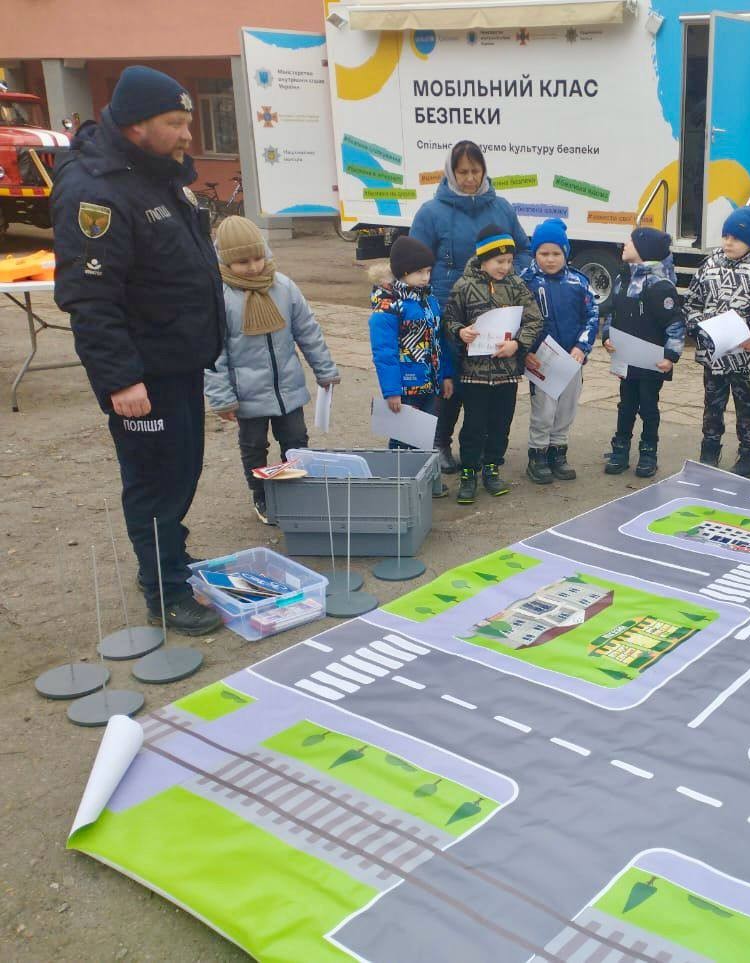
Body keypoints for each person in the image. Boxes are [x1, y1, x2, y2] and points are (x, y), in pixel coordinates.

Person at [52, 65, 223, 635]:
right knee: (155, 479)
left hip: (178, 361)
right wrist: (121, 379)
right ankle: (164, 591)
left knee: (181, 470)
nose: (187, 135)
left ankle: (170, 557)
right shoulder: (95, 191)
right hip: (142, 374)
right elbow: (90, 299)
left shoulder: (154, 173)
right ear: (135, 124)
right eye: (175, 123)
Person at [205, 217, 340, 522]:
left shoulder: (283, 287)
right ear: (224, 260)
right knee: (254, 446)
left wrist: (325, 369)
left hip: (288, 389)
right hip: (247, 394)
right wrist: (221, 397)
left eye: (257, 258)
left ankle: (294, 490)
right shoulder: (218, 297)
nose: (253, 267)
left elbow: (308, 331)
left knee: (296, 441)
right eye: (242, 262)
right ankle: (262, 494)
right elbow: (213, 353)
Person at [410, 140, 531, 475]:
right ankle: (440, 441)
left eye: (475, 171)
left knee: (487, 382)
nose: (469, 178)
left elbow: (523, 249)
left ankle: (482, 447)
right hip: (450, 307)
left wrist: (511, 278)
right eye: (462, 172)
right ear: (451, 172)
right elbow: (416, 262)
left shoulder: (501, 208)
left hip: (497, 310)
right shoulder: (431, 213)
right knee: (450, 379)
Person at [684, 206, 750, 478]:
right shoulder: (710, 264)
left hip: (747, 357)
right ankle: (709, 451)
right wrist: (700, 328)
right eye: (725, 236)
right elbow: (692, 303)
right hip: (715, 355)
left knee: (746, 407)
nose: (728, 242)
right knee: (712, 405)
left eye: (736, 238)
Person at [443, 226, 543, 504]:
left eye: (509, 261)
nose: (505, 267)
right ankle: (469, 472)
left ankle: (492, 467)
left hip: (506, 374)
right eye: (499, 261)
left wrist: (517, 344)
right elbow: (449, 320)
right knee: (474, 425)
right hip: (474, 374)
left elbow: (534, 320)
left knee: (501, 424)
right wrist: (460, 332)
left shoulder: (516, 285)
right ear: (483, 259)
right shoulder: (464, 286)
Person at [368, 236, 453, 499]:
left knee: (426, 435)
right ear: (403, 272)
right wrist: (392, 390)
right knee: (402, 438)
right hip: (406, 386)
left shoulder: (429, 299)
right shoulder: (388, 307)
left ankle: (424, 482)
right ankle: (397, 486)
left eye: (428, 271)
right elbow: (384, 353)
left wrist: (446, 375)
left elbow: (440, 340)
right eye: (419, 272)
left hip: (430, 382)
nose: (426, 277)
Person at [601, 228, 684, 478]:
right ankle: (620, 449)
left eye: (631, 241)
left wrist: (670, 356)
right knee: (625, 405)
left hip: (651, 362)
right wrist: (607, 336)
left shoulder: (659, 286)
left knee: (648, 407)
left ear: (644, 250)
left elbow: (675, 323)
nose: (624, 244)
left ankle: (648, 452)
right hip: (626, 359)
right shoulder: (622, 278)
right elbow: (613, 313)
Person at [521, 218, 598, 484]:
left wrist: (581, 347)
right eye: (544, 253)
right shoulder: (526, 282)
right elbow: (518, 320)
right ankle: (538, 454)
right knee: (543, 410)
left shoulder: (579, 282)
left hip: (571, 359)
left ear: (565, 253)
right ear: (535, 253)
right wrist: (525, 352)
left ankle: (558, 450)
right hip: (541, 360)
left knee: (566, 407)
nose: (550, 259)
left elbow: (592, 315)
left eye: (556, 253)